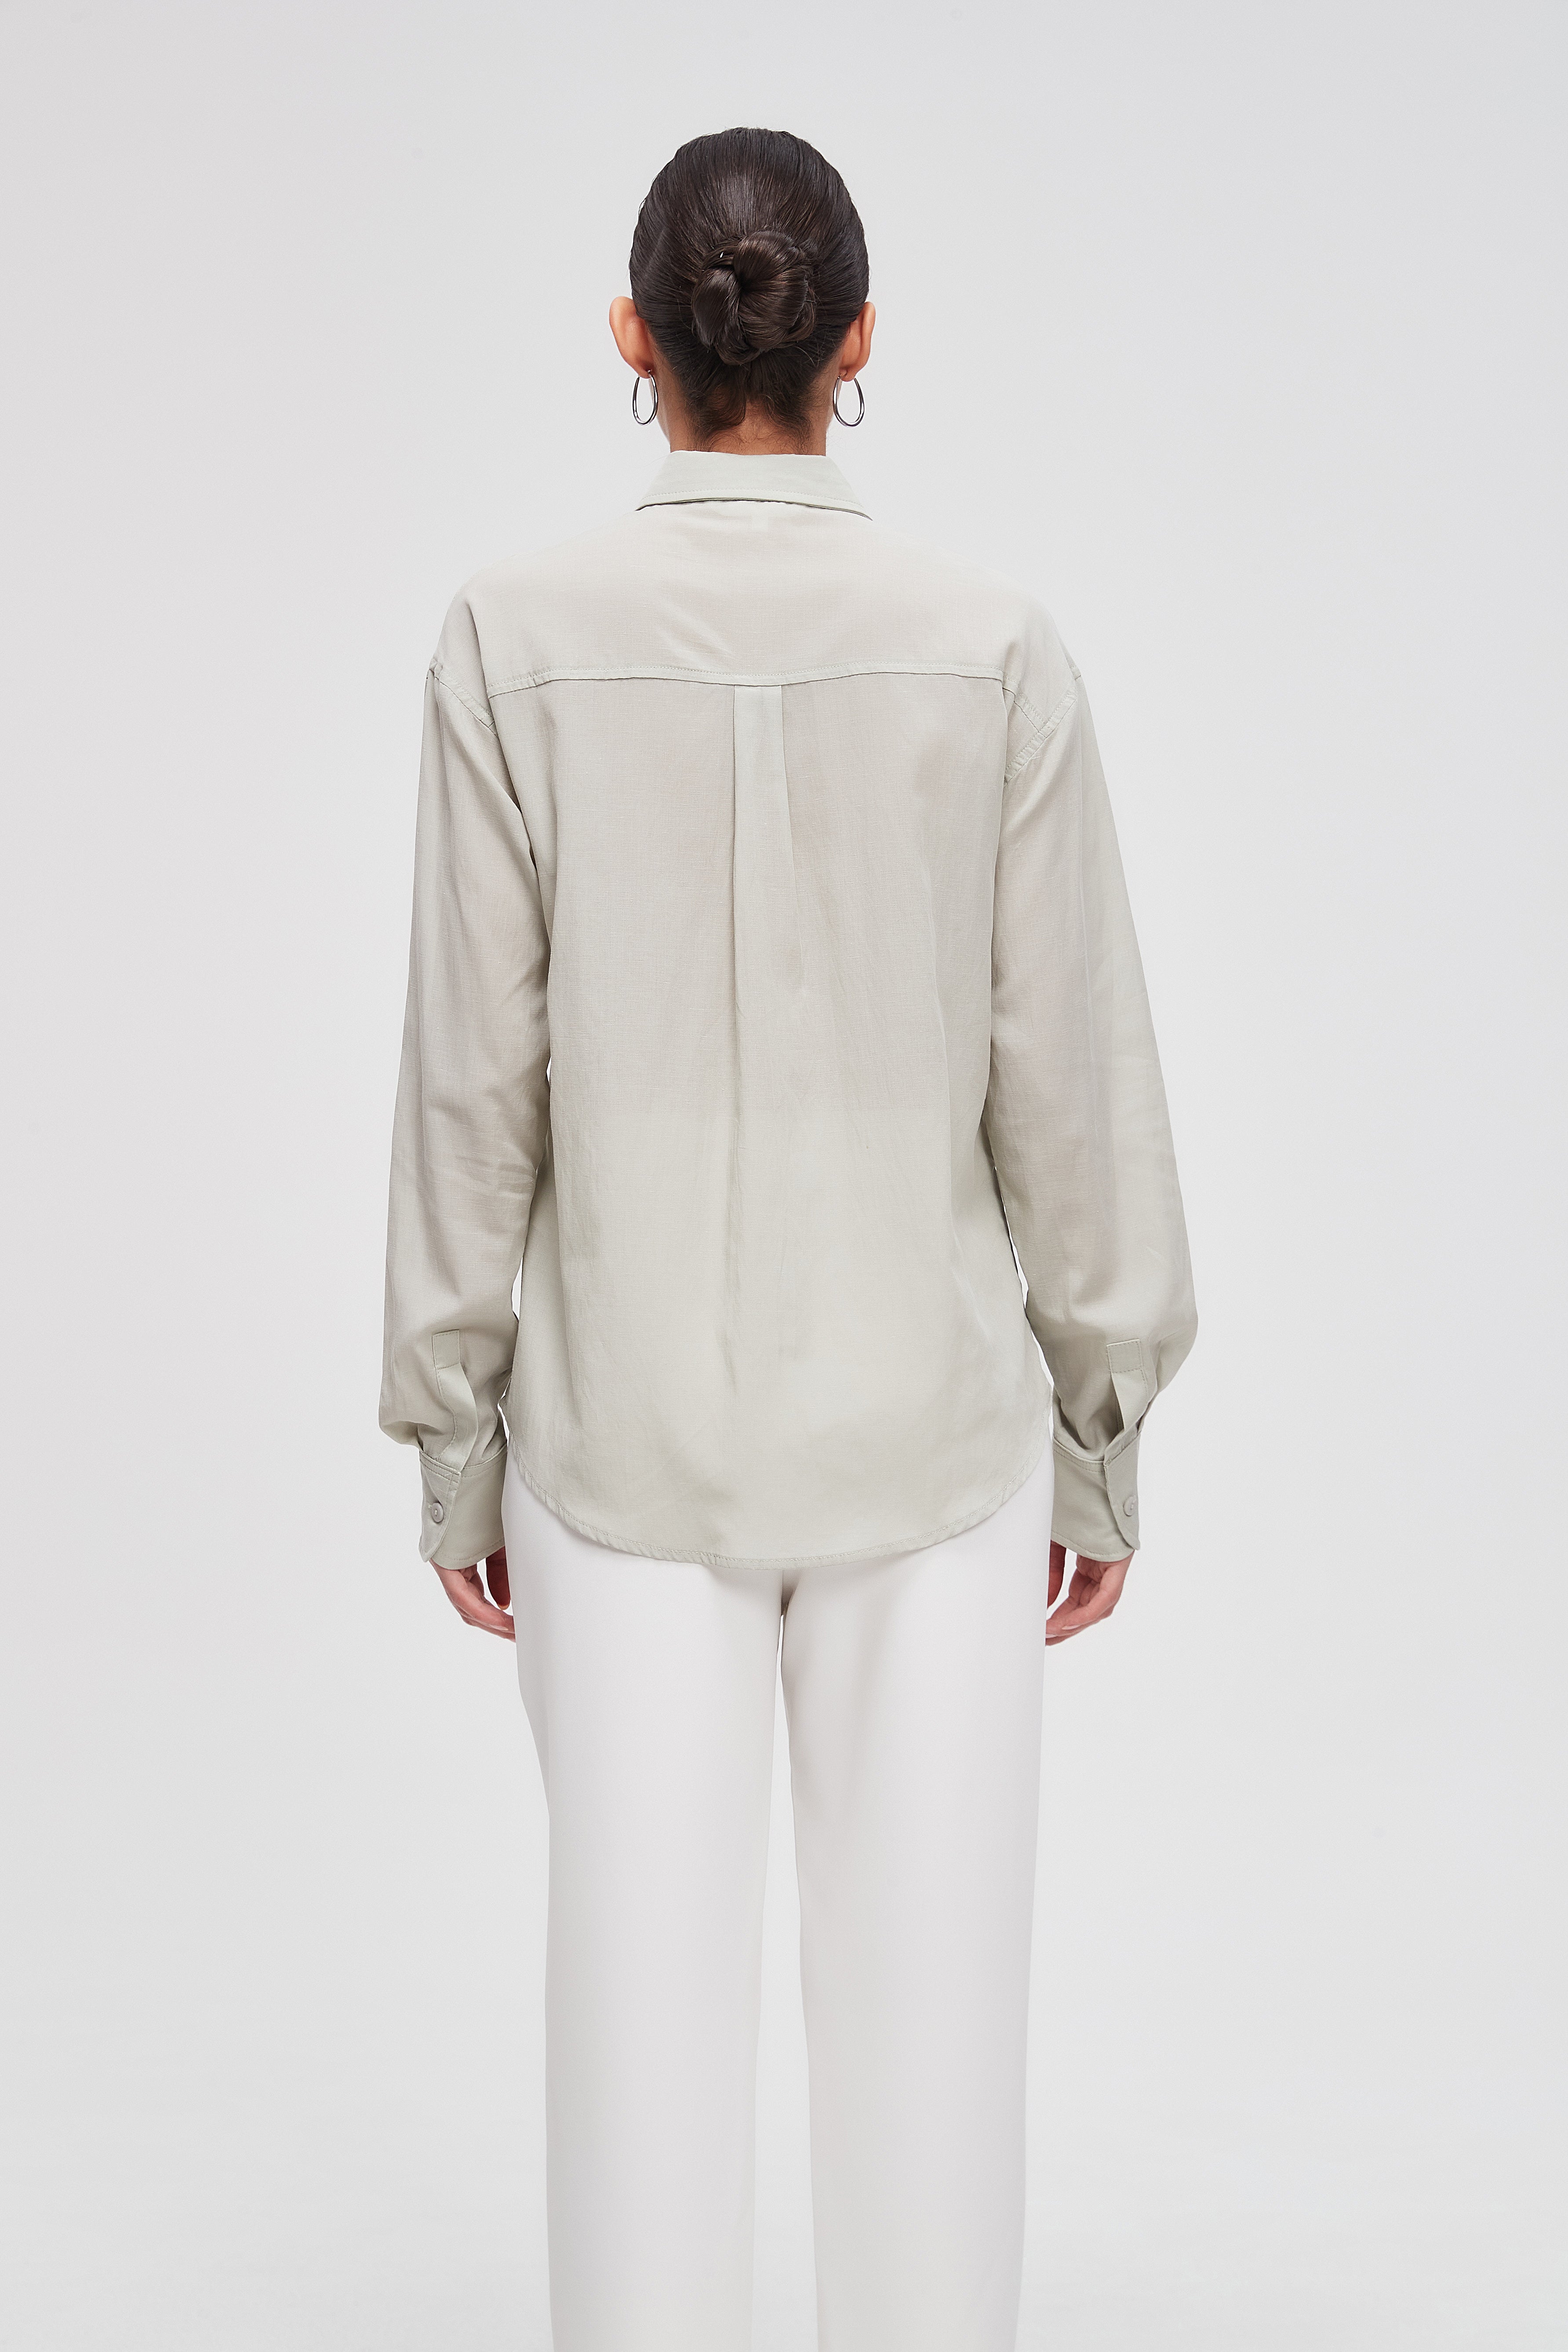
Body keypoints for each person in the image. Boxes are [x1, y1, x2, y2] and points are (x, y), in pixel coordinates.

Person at [380, 125, 1195, 2352]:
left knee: (634, 2064)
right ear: (856, 346)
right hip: (934, 1441)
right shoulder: (991, 648)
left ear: (632, 336)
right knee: (934, 2068)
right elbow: (1072, 1073)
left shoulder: (511, 639)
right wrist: (1100, 1433)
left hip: (618, 1442)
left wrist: (453, 1438)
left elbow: (471, 1082)